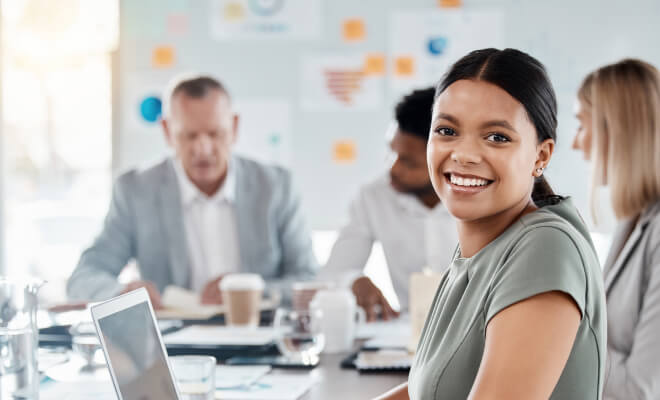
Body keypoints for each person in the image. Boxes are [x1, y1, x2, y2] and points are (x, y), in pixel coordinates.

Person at [377, 48, 606, 400]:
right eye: (447, 130)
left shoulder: (544, 247)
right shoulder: (481, 249)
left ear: (541, 156)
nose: (464, 154)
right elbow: (432, 389)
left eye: (497, 137)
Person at [67, 75, 318, 307]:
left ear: (234, 127)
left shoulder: (275, 186)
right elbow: (84, 276)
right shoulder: (136, 191)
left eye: (215, 134)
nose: (203, 148)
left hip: (259, 339)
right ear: (167, 131)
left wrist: (249, 289)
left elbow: (309, 278)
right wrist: (119, 293)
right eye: (189, 136)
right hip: (173, 345)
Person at [321, 88, 457, 320]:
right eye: (392, 154)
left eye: (409, 163)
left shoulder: (485, 196)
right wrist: (353, 281)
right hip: (408, 335)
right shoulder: (374, 196)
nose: (393, 169)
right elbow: (333, 273)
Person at [573, 59, 660, 399]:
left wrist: (556, 335)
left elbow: (640, 390)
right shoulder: (633, 218)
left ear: (617, 129)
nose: (576, 143)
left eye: (582, 125)